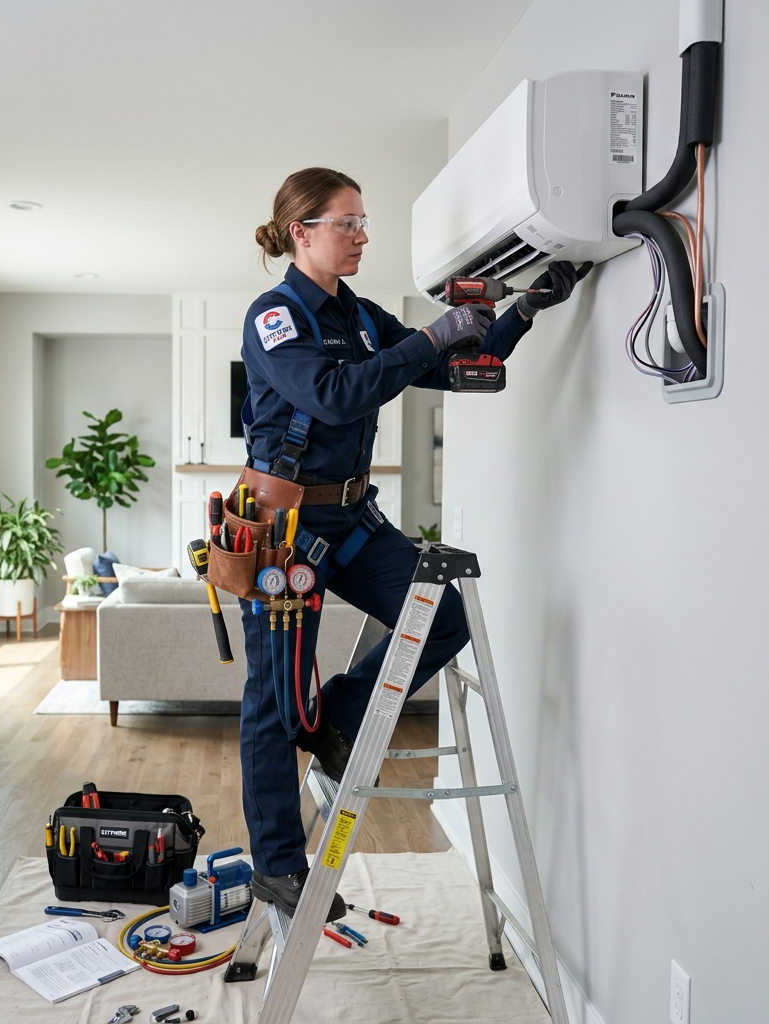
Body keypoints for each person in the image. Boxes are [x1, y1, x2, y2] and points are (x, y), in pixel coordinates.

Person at [238, 167, 588, 919]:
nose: (362, 235)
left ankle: (337, 715)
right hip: (284, 530)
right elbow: (333, 396)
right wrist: (428, 334)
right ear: (302, 232)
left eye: (364, 221)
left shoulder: (364, 318)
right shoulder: (275, 318)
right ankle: (276, 865)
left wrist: (523, 309)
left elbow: (463, 367)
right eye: (347, 222)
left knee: (445, 615)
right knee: (270, 703)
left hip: (352, 521)